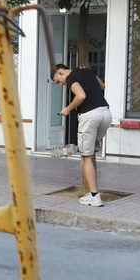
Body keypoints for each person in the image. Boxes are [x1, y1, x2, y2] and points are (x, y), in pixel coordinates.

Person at [52, 62, 111, 207]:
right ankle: (77, 147)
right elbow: (102, 87)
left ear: (61, 72)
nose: (61, 85)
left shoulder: (71, 77)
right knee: (88, 148)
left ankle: (94, 196)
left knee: (86, 156)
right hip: (106, 113)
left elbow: (81, 96)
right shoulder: (87, 72)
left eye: (58, 81)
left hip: (90, 116)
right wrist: (91, 74)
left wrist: (68, 109)